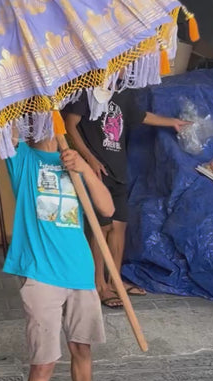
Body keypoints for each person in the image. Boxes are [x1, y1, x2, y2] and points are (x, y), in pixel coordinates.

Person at [4, 132, 116, 381]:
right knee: (43, 365)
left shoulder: (73, 161)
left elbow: (108, 209)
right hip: (40, 275)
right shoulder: (21, 159)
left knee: (81, 347)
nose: (40, 125)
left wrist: (82, 165)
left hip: (80, 272)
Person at [63, 89, 189, 308]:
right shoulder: (87, 92)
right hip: (96, 173)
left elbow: (141, 116)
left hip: (118, 173)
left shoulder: (122, 94)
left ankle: (115, 281)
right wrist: (88, 159)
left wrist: (172, 122)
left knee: (119, 227)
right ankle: (99, 285)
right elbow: (70, 125)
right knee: (100, 228)